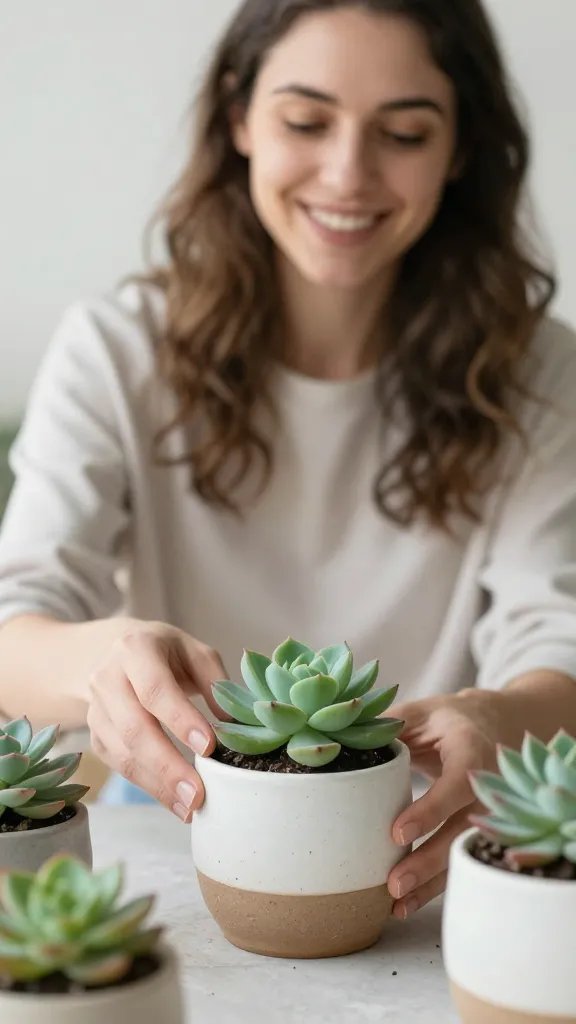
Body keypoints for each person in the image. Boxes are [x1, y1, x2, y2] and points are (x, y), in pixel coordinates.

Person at [1, 0, 575, 923]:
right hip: (172, 828)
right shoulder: (116, 351)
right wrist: (103, 661)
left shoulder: (538, 373)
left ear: (461, 148)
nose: (348, 174)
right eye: (306, 121)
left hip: (419, 841)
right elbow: (11, 625)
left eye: (404, 132)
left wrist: (500, 717)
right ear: (239, 121)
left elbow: (558, 638)